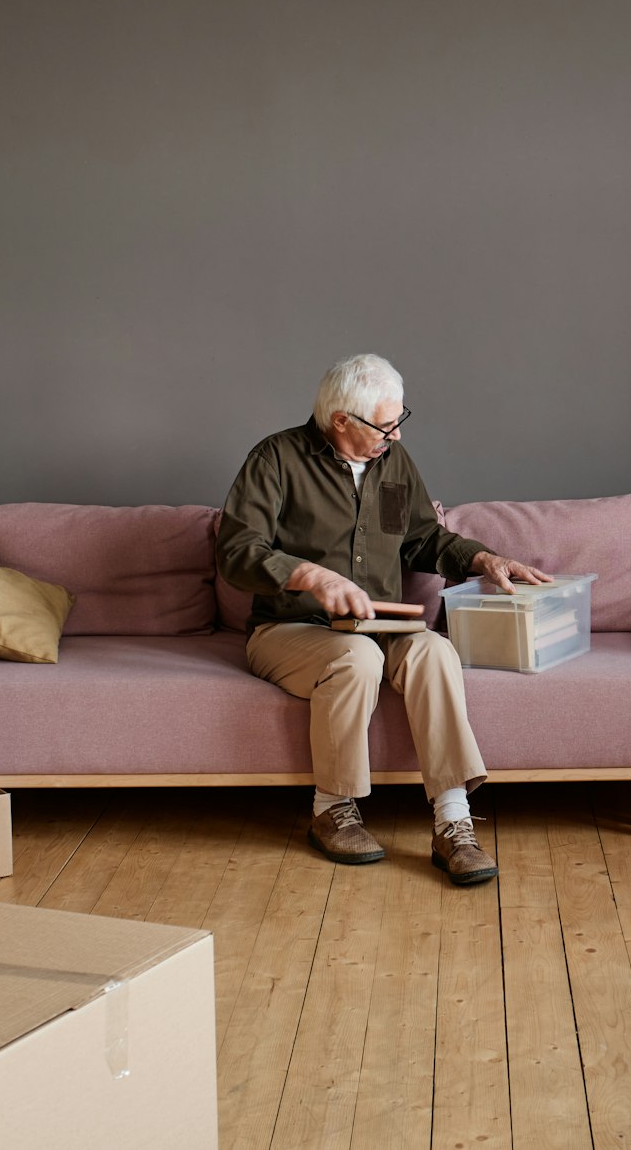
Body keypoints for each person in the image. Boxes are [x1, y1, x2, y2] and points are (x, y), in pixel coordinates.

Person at [215, 353, 551, 886]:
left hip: (380, 626)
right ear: (340, 420)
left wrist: (483, 559)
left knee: (436, 650)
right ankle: (332, 809)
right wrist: (312, 577)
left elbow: (422, 538)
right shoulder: (275, 458)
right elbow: (236, 551)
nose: (394, 435)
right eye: (384, 424)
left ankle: (453, 822)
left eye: (399, 420)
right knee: (355, 657)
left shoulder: (393, 464)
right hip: (290, 630)